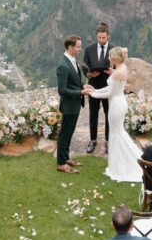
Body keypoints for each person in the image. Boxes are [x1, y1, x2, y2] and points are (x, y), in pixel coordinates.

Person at [83, 46, 143, 182]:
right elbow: (111, 89)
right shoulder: (122, 68)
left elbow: (110, 92)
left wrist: (93, 93)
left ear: (115, 58)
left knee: (117, 134)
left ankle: (121, 166)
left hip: (116, 104)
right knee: (117, 133)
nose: (108, 59)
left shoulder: (116, 73)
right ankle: (119, 164)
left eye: (110, 57)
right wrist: (95, 90)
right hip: (119, 101)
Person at [82, 22, 114, 154]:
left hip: (108, 87)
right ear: (96, 36)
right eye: (99, 38)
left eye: (103, 38)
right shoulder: (89, 49)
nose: (101, 40)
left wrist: (113, 72)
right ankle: (93, 140)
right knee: (93, 114)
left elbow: (118, 67)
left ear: (108, 36)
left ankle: (108, 141)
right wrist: (89, 74)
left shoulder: (113, 49)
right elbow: (84, 66)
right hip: (93, 86)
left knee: (108, 114)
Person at [56, 35, 86, 174]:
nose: (80, 49)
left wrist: (84, 87)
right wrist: (81, 92)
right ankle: (61, 163)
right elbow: (62, 90)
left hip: (75, 104)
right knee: (64, 134)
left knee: (69, 133)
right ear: (70, 47)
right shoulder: (63, 65)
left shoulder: (72, 60)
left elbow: (75, 82)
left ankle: (66, 158)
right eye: (78, 46)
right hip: (68, 105)